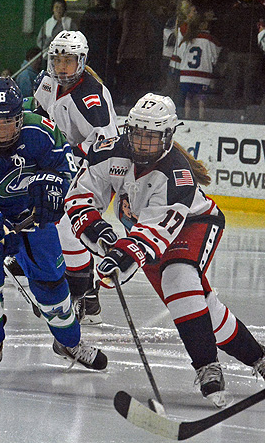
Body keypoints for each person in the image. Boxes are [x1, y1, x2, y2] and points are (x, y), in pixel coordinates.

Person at [65, 92, 265, 408]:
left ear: (168, 136)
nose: (143, 143)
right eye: (138, 134)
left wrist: (122, 256)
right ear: (128, 128)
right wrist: (103, 237)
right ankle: (258, 357)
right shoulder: (110, 154)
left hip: (195, 224)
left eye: (152, 136)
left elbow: (152, 234)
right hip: (142, 235)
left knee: (179, 280)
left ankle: (206, 366)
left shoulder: (177, 175)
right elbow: (80, 198)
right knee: (201, 309)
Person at [0, 76, 107, 383]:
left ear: (20, 117)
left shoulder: (41, 131)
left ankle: (69, 342)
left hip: (33, 215)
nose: (3, 130)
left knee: (51, 284)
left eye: (9, 122)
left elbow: (67, 166)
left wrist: (55, 191)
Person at [34, 30, 118, 324]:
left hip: (96, 171)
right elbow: (39, 118)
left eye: (69, 61)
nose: (62, 67)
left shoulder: (90, 97)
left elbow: (106, 143)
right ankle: (82, 290)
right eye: (57, 60)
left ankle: (81, 297)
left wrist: (67, 155)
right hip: (64, 166)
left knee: (70, 229)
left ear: (81, 62)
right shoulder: (47, 84)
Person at [177, 12, 221, 119]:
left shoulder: (186, 39)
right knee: (201, 99)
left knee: (188, 98)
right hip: (202, 76)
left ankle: (187, 118)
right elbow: (215, 56)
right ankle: (201, 118)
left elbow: (179, 54)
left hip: (186, 75)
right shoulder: (210, 39)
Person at [79, 0, 120, 90]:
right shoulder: (114, 14)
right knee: (108, 76)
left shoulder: (89, 13)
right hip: (109, 52)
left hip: (93, 50)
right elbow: (118, 33)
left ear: (96, 0)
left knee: (92, 74)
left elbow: (82, 32)